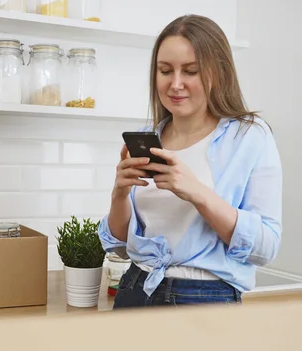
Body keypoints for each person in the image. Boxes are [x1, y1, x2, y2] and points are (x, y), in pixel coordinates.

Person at [98, 14, 282, 308]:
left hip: (204, 298)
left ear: (217, 73)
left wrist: (197, 193)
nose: (176, 84)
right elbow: (119, 245)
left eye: (191, 71)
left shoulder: (249, 136)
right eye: (165, 70)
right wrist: (119, 193)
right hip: (135, 289)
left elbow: (266, 247)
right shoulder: (149, 137)